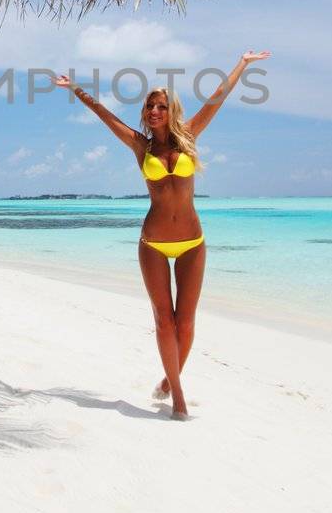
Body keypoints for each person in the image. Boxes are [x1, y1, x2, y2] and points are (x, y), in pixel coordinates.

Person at [56, 51, 270, 419]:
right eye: (150, 106)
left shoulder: (189, 136)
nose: (154, 111)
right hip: (153, 243)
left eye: (161, 106)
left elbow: (217, 97)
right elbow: (105, 116)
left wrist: (242, 64)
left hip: (192, 243)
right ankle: (179, 397)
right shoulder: (141, 147)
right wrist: (76, 89)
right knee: (163, 320)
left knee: (185, 323)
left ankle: (168, 380)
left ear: (171, 111)